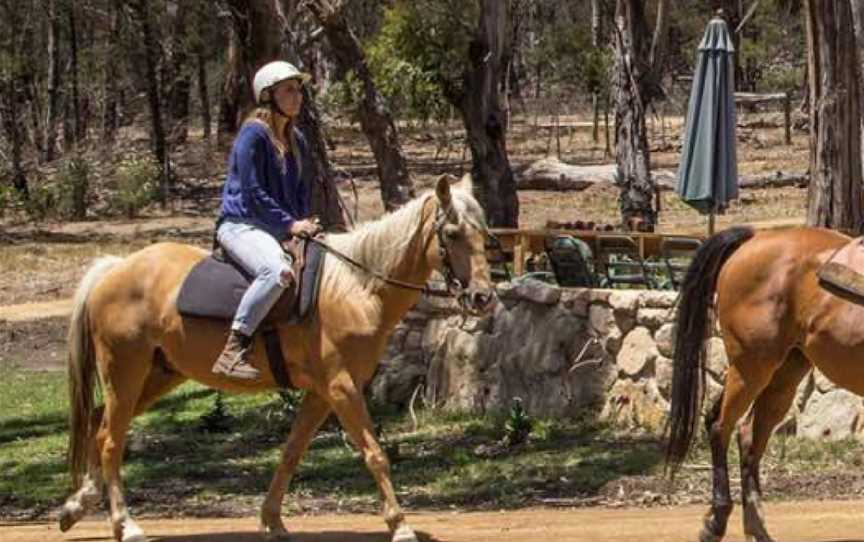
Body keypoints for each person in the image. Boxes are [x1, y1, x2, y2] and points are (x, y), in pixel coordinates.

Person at [212, 60, 321, 381]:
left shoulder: (297, 141)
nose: (297, 96)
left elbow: (301, 191)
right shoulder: (252, 136)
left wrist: (303, 223)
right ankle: (235, 346)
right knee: (276, 272)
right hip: (241, 225)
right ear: (267, 96)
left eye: (299, 90)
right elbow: (253, 193)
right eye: (288, 90)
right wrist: (289, 225)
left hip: (279, 228)